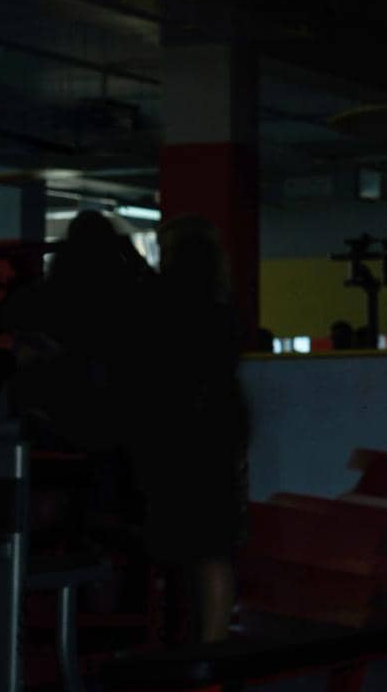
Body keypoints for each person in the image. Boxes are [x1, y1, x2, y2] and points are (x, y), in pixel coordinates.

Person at [133, 215, 250, 644]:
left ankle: (184, 641)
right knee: (213, 548)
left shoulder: (157, 303)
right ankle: (211, 644)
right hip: (217, 434)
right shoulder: (222, 310)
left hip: (173, 437)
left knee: (179, 546)